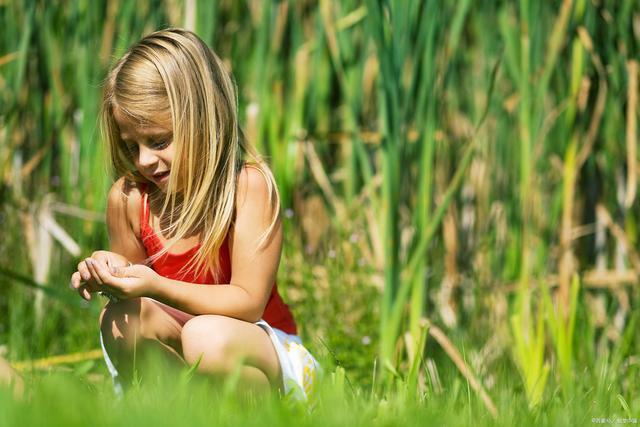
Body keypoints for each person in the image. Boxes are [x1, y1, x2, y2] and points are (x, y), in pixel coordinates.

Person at [69, 28, 318, 400]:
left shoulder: (246, 188)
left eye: (159, 141)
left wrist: (156, 285)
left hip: (264, 352)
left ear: (201, 118)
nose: (144, 161)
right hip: (190, 351)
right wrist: (109, 271)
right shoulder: (128, 198)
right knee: (121, 319)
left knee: (206, 336)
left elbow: (248, 303)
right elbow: (137, 293)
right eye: (131, 145)